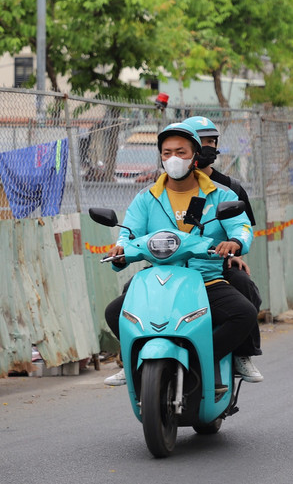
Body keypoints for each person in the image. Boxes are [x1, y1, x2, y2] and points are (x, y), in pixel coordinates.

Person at [103, 122, 259, 393]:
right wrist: (120, 252)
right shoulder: (146, 198)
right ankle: (131, 362)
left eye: (181, 152)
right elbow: (129, 234)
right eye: (166, 153)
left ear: (195, 155)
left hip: (206, 280)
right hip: (159, 278)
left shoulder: (221, 194)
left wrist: (234, 242)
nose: (173, 159)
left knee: (243, 313)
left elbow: (241, 228)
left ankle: (205, 359)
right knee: (115, 311)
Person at [182, 115, 263, 368]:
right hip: (175, 262)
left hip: (217, 263)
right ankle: (131, 354)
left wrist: (234, 249)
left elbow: (243, 228)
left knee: (245, 287)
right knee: (133, 291)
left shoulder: (231, 188)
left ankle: (243, 353)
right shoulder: (166, 187)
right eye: (201, 141)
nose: (207, 147)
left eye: (211, 141)